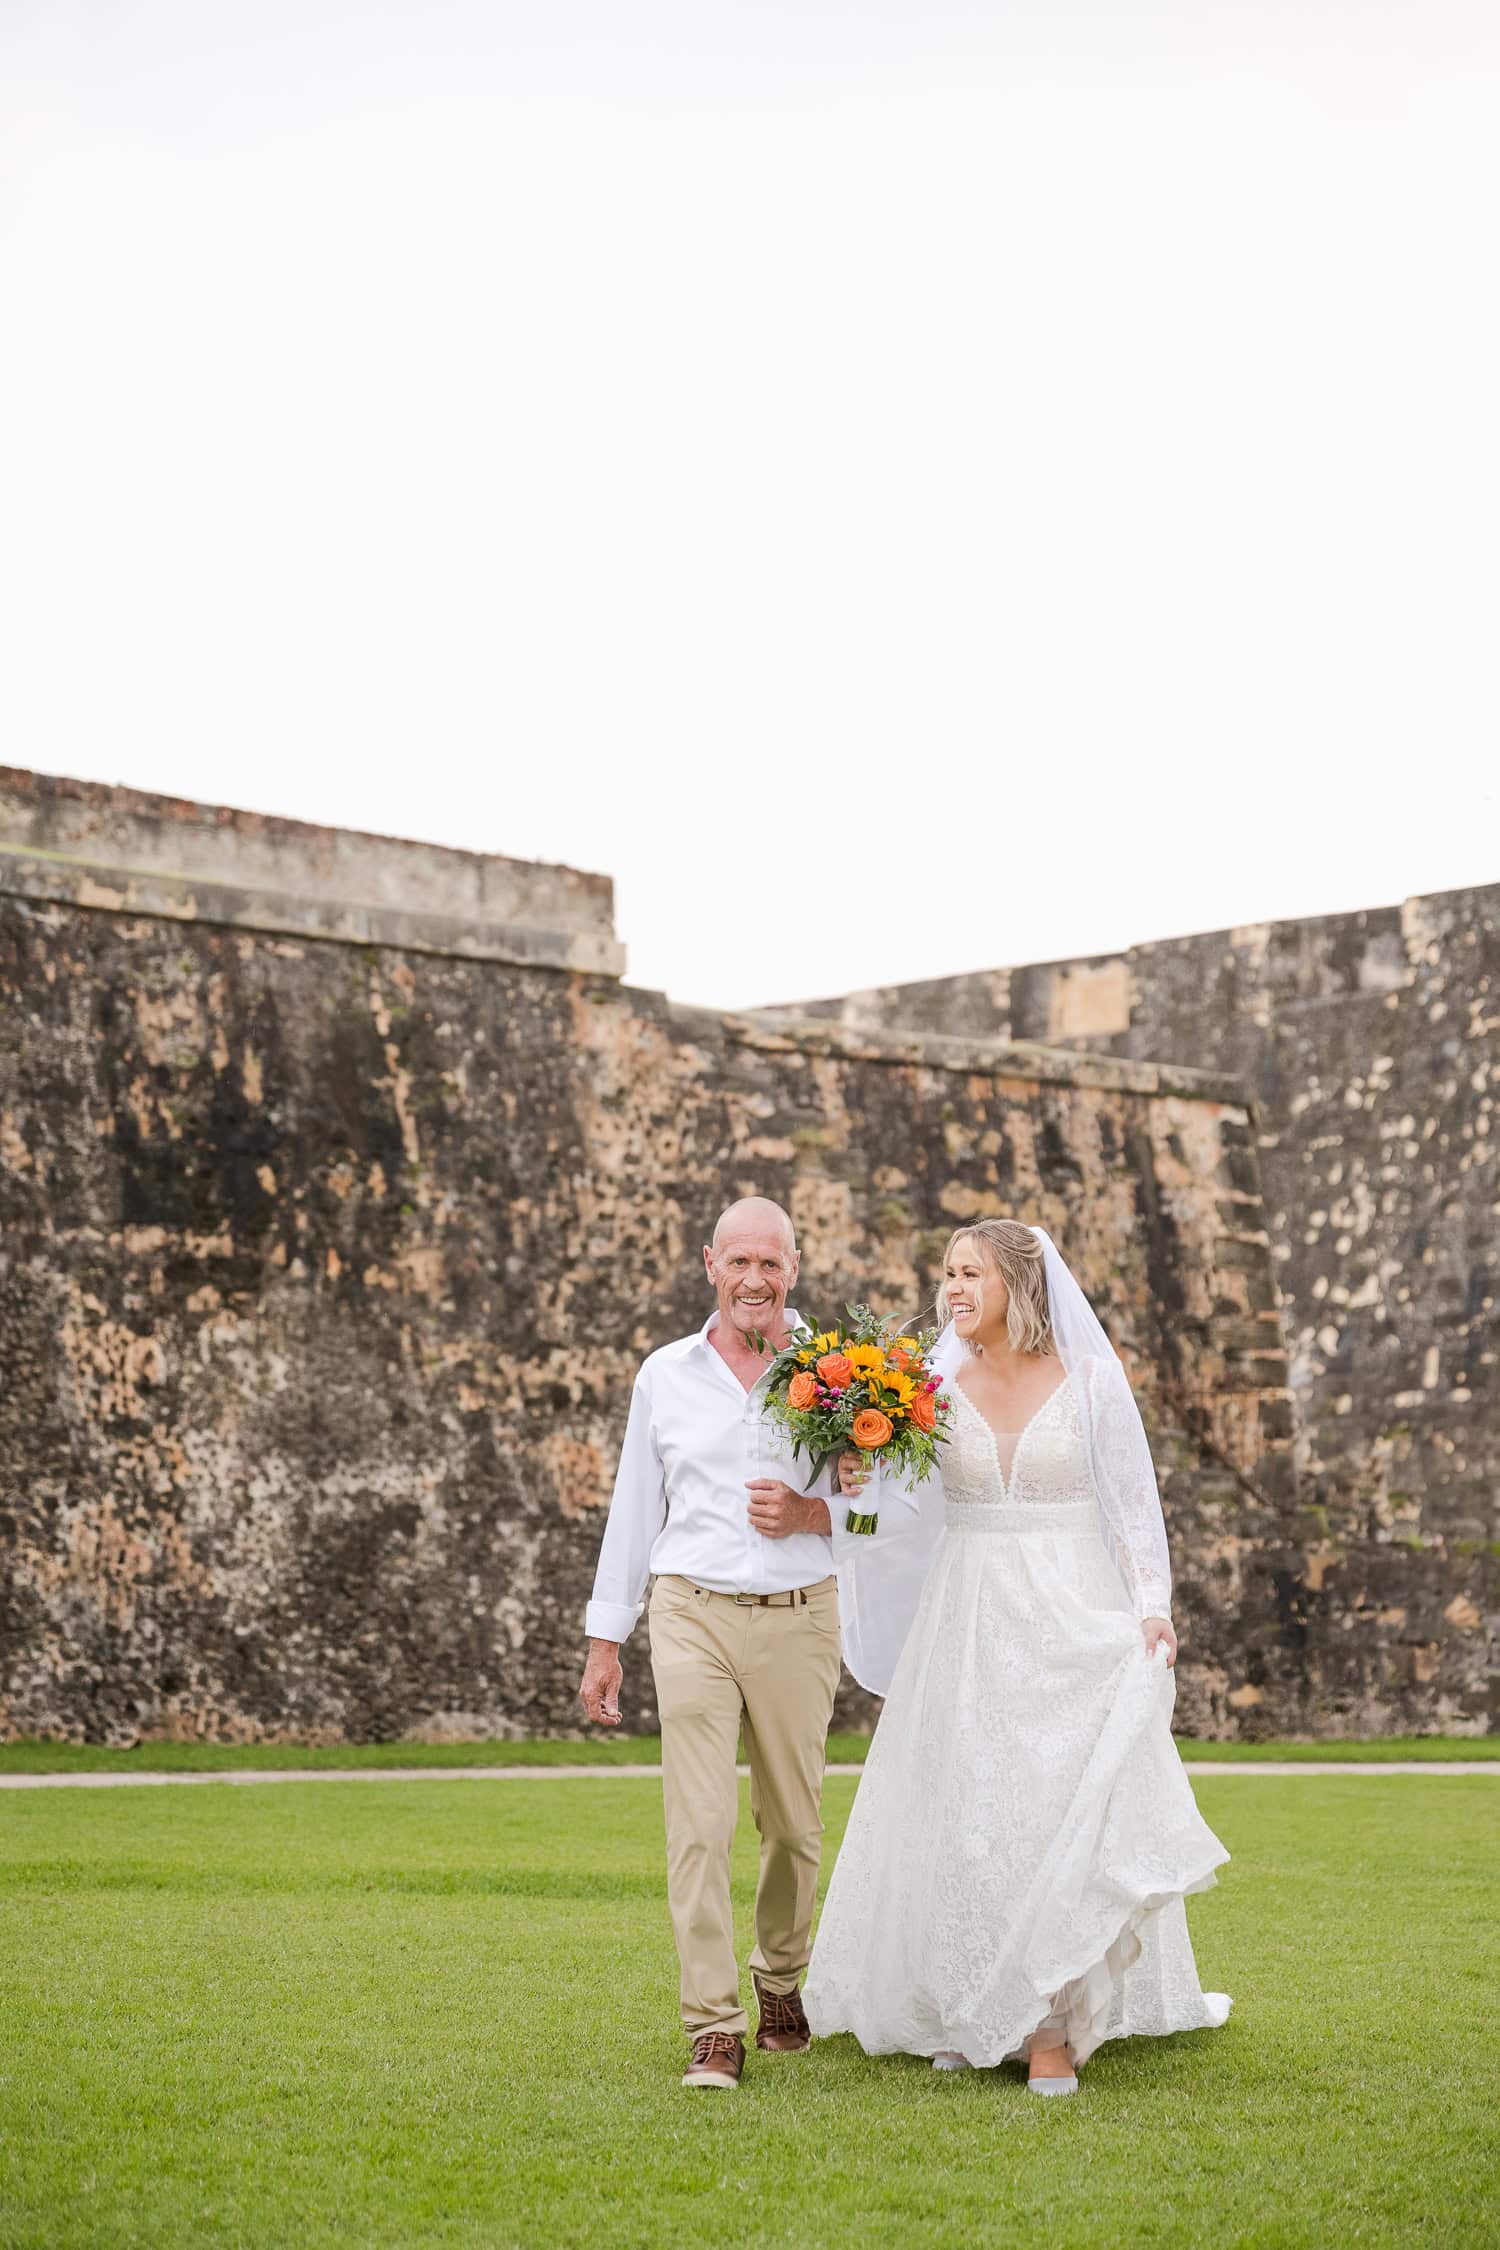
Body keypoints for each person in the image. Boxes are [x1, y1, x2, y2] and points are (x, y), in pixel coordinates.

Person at [804, 1219, 1231, 2095]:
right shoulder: (926, 1385)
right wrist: (856, 1477)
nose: (953, 1288)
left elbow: (1131, 1508)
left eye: (972, 1273)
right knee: (970, 1812)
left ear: (1019, 1285)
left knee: (1052, 1814)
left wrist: (1153, 1609)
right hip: (967, 1619)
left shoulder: (1096, 1382)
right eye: (948, 1273)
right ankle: (973, 2002)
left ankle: (1046, 2027)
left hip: (1072, 1613)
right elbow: (891, 1512)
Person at [578, 1197, 904, 2090]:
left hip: (802, 1615)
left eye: (772, 1263)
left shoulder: (844, 1377)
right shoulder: (665, 1375)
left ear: (794, 1269)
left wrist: (816, 1513)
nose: (754, 1279)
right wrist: (607, 1641)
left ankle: (781, 1981)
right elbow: (634, 1511)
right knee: (700, 1826)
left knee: (794, 1827)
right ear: (710, 1266)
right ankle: (713, 2025)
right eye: (739, 1262)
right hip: (690, 1612)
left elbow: (885, 1513)